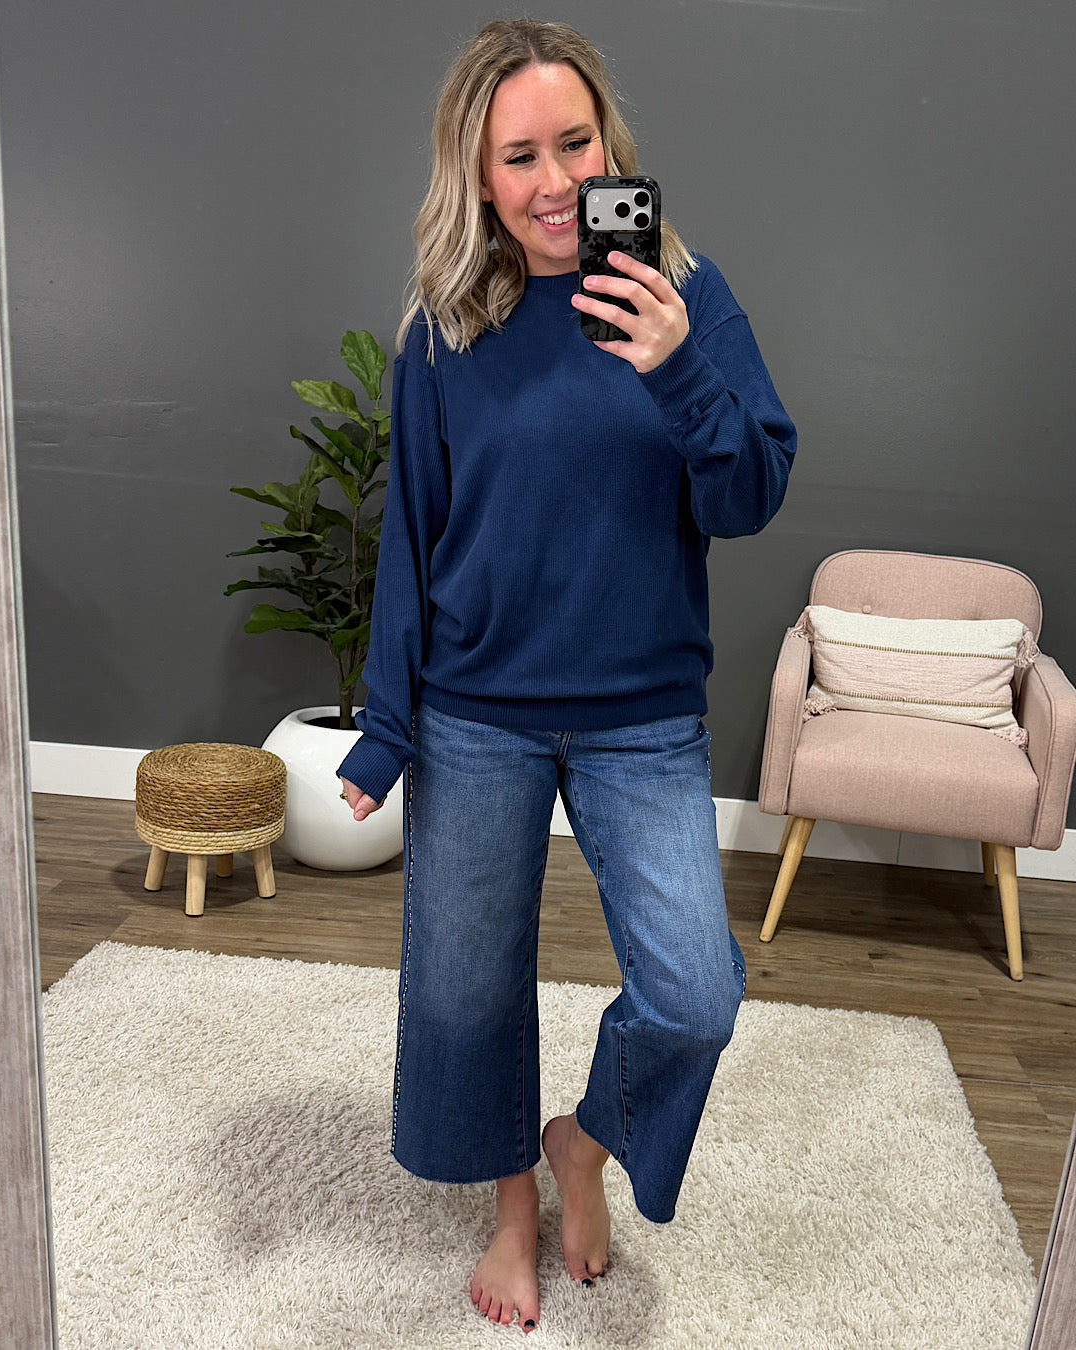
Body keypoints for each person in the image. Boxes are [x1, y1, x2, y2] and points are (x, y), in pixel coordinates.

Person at [337, 17, 796, 1335]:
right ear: (478, 176)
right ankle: (512, 1208)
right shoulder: (445, 328)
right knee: (464, 988)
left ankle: (583, 1144)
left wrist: (679, 368)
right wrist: (385, 728)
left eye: (576, 143)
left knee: (695, 990)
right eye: (520, 156)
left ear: (613, 145)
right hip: (474, 711)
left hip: (641, 714)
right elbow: (414, 540)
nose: (553, 182)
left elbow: (752, 492)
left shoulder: (684, 297)